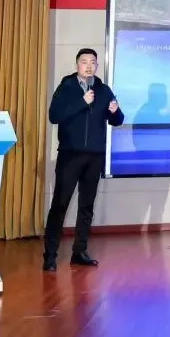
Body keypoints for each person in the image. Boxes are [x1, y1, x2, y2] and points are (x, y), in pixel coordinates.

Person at [43, 48, 123, 272]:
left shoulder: (104, 90)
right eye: (84, 62)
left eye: (92, 62)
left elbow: (117, 120)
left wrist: (115, 111)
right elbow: (54, 116)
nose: (88, 66)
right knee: (60, 204)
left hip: (94, 156)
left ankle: (80, 251)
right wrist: (82, 102)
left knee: (86, 206)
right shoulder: (67, 87)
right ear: (77, 65)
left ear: (97, 66)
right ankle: (50, 256)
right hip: (70, 155)